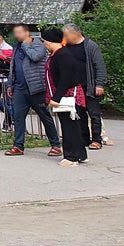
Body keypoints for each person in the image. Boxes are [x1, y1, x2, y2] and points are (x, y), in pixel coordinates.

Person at [6, 23, 61, 157]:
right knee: (18, 116)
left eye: (19, 32)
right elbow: (13, 65)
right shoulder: (16, 47)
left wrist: (26, 44)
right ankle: (18, 145)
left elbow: (35, 56)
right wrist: (10, 84)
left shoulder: (38, 44)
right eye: (15, 33)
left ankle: (55, 145)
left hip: (36, 88)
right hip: (19, 88)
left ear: (26, 33)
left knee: (44, 116)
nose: (17, 35)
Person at [44, 26, 91, 165]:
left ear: (50, 41)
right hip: (64, 93)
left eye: (44, 41)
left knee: (69, 125)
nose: (44, 44)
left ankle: (71, 157)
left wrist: (56, 97)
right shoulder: (59, 54)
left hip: (68, 94)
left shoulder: (63, 55)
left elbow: (66, 78)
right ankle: (80, 154)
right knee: (71, 125)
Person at [63, 22, 111, 149]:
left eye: (67, 35)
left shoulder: (90, 46)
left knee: (94, 114)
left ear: (76, 33)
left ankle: (96, 140)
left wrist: (99, 84)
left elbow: (99, 66)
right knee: (80, 114)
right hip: (75, 87)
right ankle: (84, 139)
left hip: (89, 86)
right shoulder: (66, 46)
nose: (65, 38)